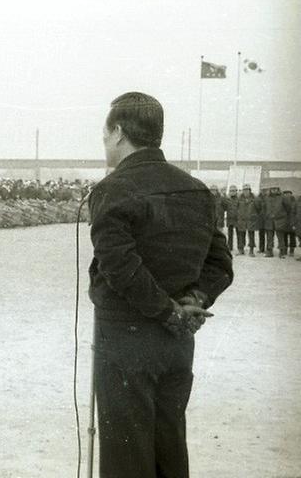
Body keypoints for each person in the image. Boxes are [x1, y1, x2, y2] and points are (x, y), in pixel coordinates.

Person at [88, 92, 233, 478]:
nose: (104, 142)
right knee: (169, 446)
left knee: (126, 455)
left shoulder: (113, 188)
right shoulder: (196, 190)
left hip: (125, 341)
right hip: (178, 343)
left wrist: (168, 312)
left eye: (105, 134)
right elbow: (220, 263)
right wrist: (193, 300)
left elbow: (119, 266)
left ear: (118, 132)